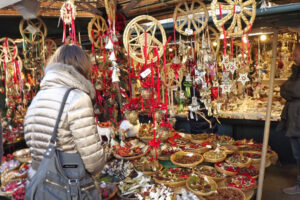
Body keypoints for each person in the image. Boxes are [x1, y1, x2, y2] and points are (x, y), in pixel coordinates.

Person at [24, 45, 107, 183]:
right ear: (83, 67)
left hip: (40, 185)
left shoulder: (37, 98)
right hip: (68, 185)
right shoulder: (77, 98)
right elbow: (93, 163)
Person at [280, 43, 300, 195]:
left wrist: (287, 89)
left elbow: (292, 89)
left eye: (295, 54)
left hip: (298, 119)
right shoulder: (296, 71)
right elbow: (285, 88)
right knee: (297, 153)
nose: (293, 57)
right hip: (294, 119)